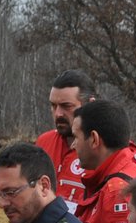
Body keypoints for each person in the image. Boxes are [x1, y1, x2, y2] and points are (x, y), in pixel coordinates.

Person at [34, 69, 99, 212]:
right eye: (53, 106)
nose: (58, 114)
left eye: (66, 106)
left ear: (90, 104)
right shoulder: (44, 143)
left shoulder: (106, 150)